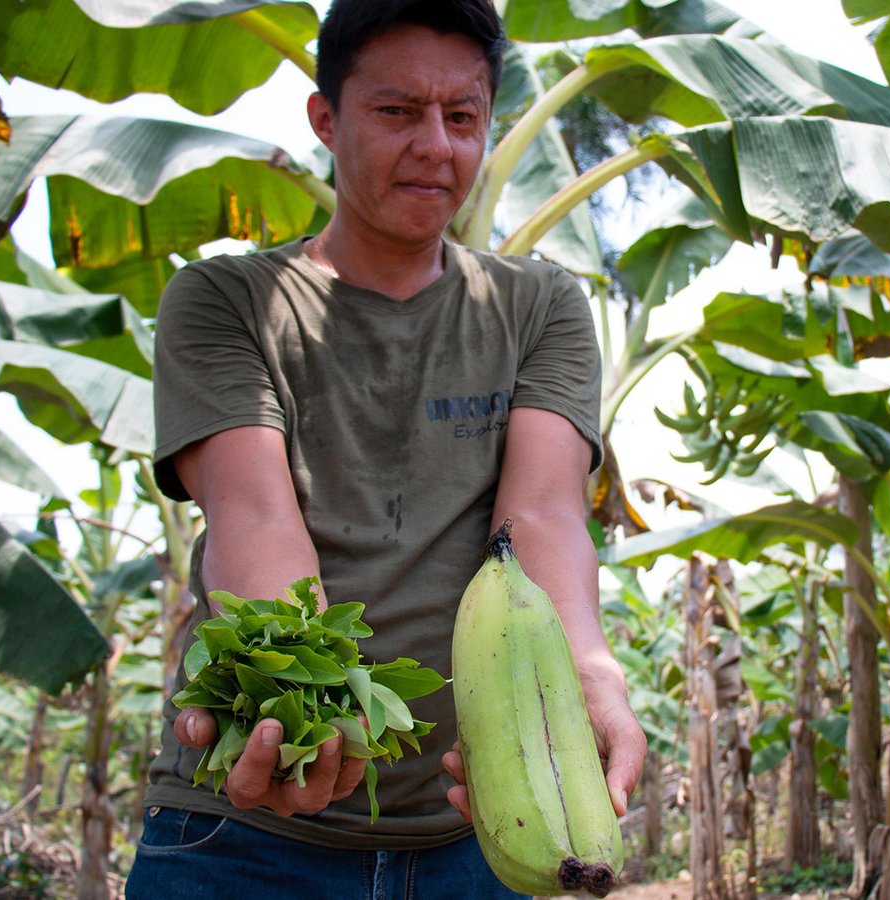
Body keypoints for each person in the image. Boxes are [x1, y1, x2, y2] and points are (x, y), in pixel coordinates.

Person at [125, 1, 646, 896]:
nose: (437, 147)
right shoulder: (226, 300)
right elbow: (255, 517)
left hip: (487, 833)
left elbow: (544, 515)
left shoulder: (542, 306)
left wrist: (593, 673)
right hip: (244, 836)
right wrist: (311, 708)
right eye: (397, 112)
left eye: (463, 116)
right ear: (326, 120)